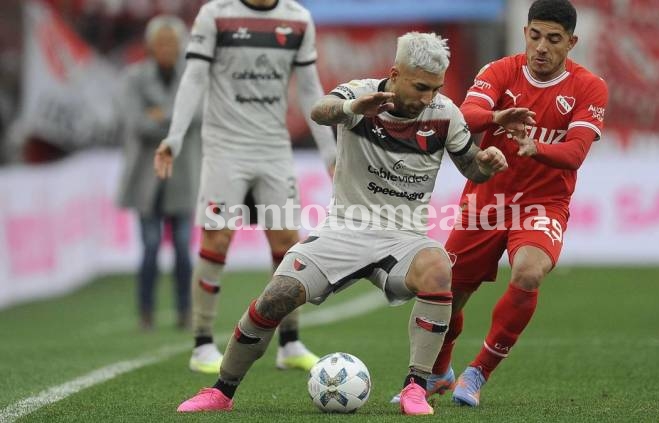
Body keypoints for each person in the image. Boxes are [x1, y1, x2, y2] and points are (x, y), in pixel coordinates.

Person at [174, 31, 523, 416]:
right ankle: (221, 391)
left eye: (435, 88)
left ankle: (416, 388)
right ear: (396, 73)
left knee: (439, 267)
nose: (428, 97)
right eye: (421, 87)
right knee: (276, 297)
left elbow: (471, 164)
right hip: (344, 228)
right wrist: (354, 108)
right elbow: (320, 111)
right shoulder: (361, 93)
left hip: (403, 236)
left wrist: (485, 165)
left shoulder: (445, 113)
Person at [421, 0, 609, 407]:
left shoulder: (588, 86)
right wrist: (498, 117)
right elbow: (466, 115)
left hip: (544, 203)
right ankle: (439, 372)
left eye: (554, 39)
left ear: (571, 43)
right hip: (488, 199)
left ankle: (478, 372)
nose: (542, 47)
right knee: (444, 299)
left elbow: (575, 153)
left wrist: (534, 147)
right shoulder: (500, 70)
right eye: (535, 35)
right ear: (525, 33)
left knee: (529, 271)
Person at [153, 0, 338, 374]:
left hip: (273, 148)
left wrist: (331, 153)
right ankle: (202, 343)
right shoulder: (215, 14)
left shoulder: (298, 19)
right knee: (216, 241)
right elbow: (194, 77)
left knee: (288, 244)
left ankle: (290, 342)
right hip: (225, 149)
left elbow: (308, 89)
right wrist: (175, 136)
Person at [117, 15, 201, 331]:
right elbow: (136, 123)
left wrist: (158, 115)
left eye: (171, 42)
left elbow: (198, 116)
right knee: (150, 248)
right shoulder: (132, 78)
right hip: (146, 177)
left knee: (182, 248)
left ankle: (184, 309)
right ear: (150, 46)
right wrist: (175, 118)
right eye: (161, 42)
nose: (166, 48)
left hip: (183, 176)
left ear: (181, 45)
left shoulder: (194, 77)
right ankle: (146, 311)